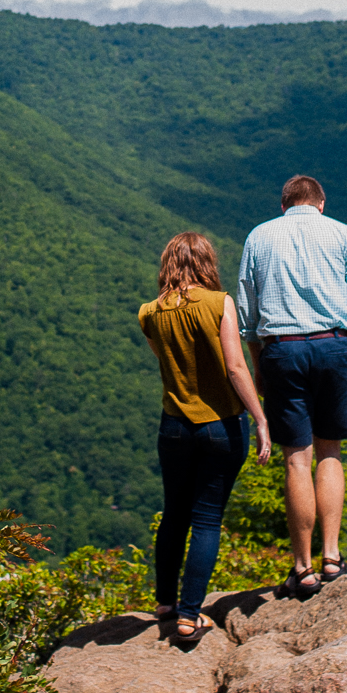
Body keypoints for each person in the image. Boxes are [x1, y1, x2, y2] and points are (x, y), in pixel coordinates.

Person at [237, 174, 347, 599]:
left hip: (281, 349)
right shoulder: (342, 233)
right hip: (334, 346)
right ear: (321, 203)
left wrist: (259, 366)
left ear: (284, 206)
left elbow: (247, 308)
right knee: (330, 453)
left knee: (296, 461)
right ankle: (333, 559)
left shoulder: (259, 237)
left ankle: (302, 570)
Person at [139, 231, 272, 645]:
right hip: (221, 425)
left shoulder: (148, 313)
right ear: (206, 263)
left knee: (174, 513)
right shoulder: (219, 304)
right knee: (207, 519)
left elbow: (169, 362)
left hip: (174, 426)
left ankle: (164, 604)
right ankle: (189, 615)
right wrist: (261, 418)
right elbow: (235, 367)